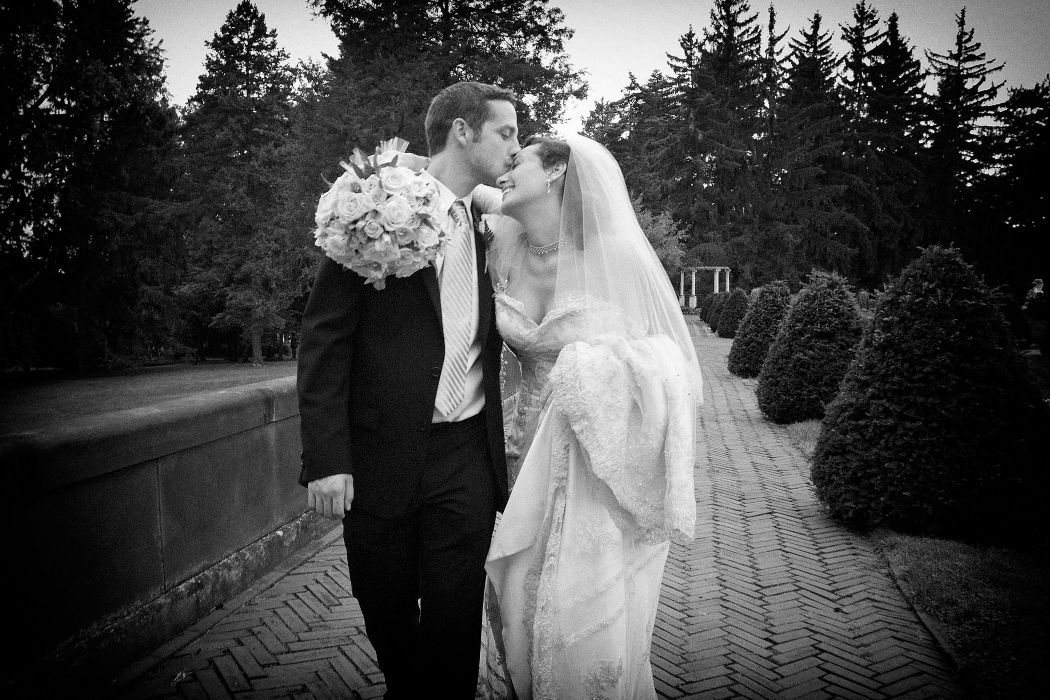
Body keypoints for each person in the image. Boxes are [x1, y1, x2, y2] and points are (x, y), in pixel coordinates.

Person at [296, 81, 519, 699]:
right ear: (463, 132)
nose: (516, 147)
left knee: (454, 624)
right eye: (506, 132)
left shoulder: (495, 222)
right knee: (387, 613)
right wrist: (327, 458)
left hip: (466, 456)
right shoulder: (370, 207)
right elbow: (324, 340)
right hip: (378, 458)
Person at [475, 134, 703, 699]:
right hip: (513, 451)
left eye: (518, 160)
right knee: (511, 589)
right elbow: (465, 189)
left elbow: (668, 366)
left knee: (572, 601)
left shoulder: (614, 256)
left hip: (589, 457)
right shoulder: (502, 247)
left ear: (556, 171)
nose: (504, 170)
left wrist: (593, 372)